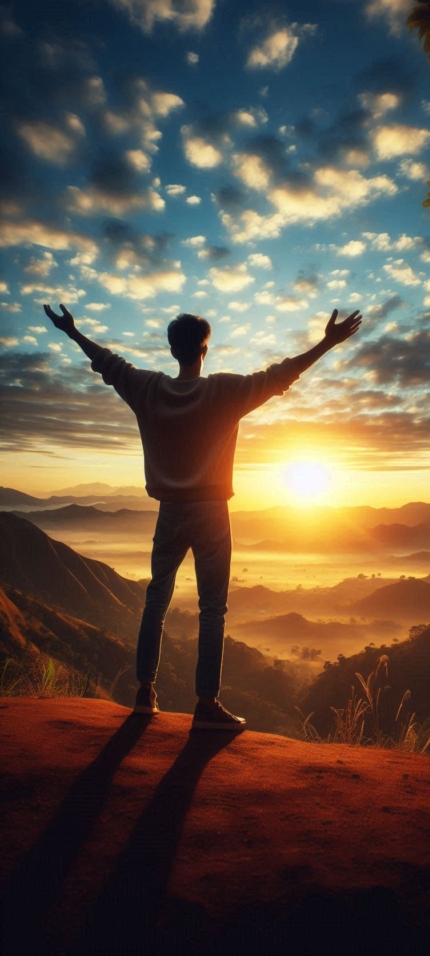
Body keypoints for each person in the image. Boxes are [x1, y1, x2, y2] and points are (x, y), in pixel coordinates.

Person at [44, 302, 362, 731]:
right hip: (212, 511)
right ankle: (207, 704)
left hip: (169, 511)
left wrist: (72, 332)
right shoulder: (222, 392)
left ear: (173, 349)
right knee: (212, 610)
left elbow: (108, 363)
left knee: (155, 602)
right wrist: (327, 341)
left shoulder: (147, 389)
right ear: (204, 349)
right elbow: (281, 375)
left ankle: (144, 694)